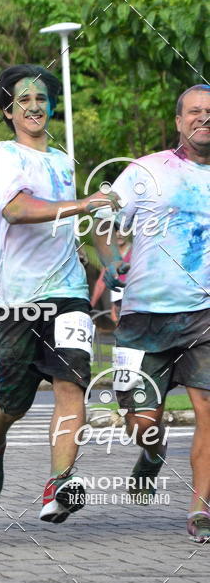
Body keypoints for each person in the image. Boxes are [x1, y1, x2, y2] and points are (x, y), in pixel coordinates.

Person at [0, 63, 120, 521]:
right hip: (17, 298)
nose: (35, 106)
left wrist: (112, 263)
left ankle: (59, 483)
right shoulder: (2, 157)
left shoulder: (62, 160)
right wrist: (82, 204)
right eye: (24, 100)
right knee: (11, 403)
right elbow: (17, 210)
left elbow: (86, 221)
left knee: (71, 383)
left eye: (42, 99)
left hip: (69, 294)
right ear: (8, 112)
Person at [93, 84, 210, 541]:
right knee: (140, 423)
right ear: (179, 121)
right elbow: (104, 219)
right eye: (194, 112)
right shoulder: (145, 171)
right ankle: (152, 450)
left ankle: (200, 507)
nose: (204, 118)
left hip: (205, 314)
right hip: (143, 316)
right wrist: (110, 263)